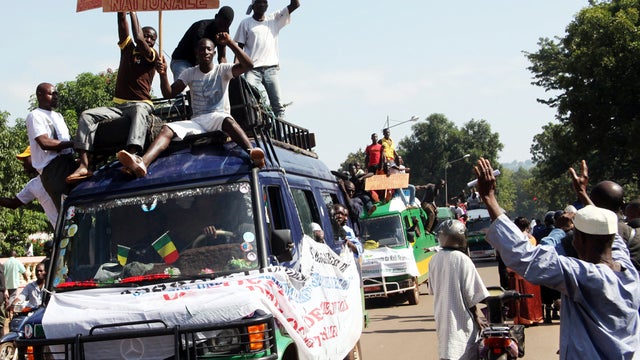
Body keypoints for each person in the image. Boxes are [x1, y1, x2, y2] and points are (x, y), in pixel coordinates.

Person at [475, 157, 640, 358]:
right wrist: (582, 194)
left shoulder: (584, 277)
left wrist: (489, 198)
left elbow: (525, 256)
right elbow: (607, 229)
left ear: (581, 240)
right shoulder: (628, 270)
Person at [117, 35, 265, 177]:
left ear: (214, 52)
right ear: (196, 52)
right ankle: (143, 162)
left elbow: (249, 65)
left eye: (208, 49)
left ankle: (252, 153)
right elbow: (169, 93)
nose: (205, 52)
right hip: (197, 122)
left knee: (227, 120)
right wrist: (163, 74)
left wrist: (230, 43)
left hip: (218, 118)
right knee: (167, 129)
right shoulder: (190, 73)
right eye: (201, 49)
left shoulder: (223, 69)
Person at [66, 12, 159, 183]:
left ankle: (132, 155)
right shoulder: (127, 48)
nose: (149, 39)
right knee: (87, 115)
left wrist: (133, 10)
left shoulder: (153, 55)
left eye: (152, 38)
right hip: (118, 107)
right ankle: (84, 165)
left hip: (141, 104)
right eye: (147, 35)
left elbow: (138, 37)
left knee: (139, 110)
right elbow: (121, 23)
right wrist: (121, 9)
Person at [429, 219, 489, 360]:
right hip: (461, 319)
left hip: (442, 318)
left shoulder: (434, 260)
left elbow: (432, 289)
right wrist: (477, 316)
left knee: (447, 350)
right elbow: (472, 294)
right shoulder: (463, 259)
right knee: (463, 351)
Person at [234, 0, 300, 121]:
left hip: (271, 69)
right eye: (259, 2)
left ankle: (282, 137)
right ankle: (253, 128)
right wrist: (235, 70)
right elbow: (239, 49)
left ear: (267, 5)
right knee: (248, 101)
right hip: (252, 70)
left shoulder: (274, 19)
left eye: (264, 2)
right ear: (253, 6)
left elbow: (295, 5)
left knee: (278, 106)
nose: (262, 4)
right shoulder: (245, 23)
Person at [25, 82, 75, 211]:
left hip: (68, 162)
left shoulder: (58, 116)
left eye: (56, 93)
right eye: (51, 93)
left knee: (82, 206)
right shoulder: (35, 115)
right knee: (68, 212)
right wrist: (75, 143)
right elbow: (45, 143)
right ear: (40, 95)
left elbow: (65, 142)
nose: (55, 96)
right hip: (53, 169)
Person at [170, 6, 235, 80]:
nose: (222, 28)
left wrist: (226, 75)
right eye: (220, 24)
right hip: (181, 61)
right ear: (216, 17)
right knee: (183, 89)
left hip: (198, 63)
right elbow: (200, 58)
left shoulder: (224, 31)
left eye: (226, 26)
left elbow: (222, 58)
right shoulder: (202, 29)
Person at [0, 146, 58, 226]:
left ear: (36, 157)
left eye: (25, 160)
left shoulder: (59, 174)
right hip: (61, 232)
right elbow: (13, 203)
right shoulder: (33, 185)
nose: (24, 164)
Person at [508, 216, 543, 326]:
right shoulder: (532, 238)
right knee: (533, 294)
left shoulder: (515, 239)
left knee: (521, 295)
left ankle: (524, 319)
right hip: (532, 270)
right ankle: (535, 317)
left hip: (519, 270)